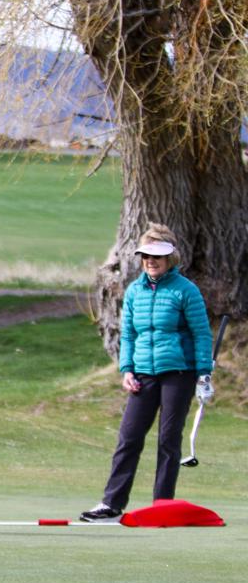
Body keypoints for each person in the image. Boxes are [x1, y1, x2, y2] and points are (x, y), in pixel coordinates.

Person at [81, 223, 213, 522]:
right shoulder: (134, 291)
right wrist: (126, 370)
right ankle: (111, 504)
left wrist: (204, 373)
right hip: (142, 373)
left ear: (170, 258)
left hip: (178, 372)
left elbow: (201, 334)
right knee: (129, 437)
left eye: (158, 256)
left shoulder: (185, 290)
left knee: (168, 439)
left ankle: (162, 505)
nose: (151, 261)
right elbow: (128, 334)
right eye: (146, 256)